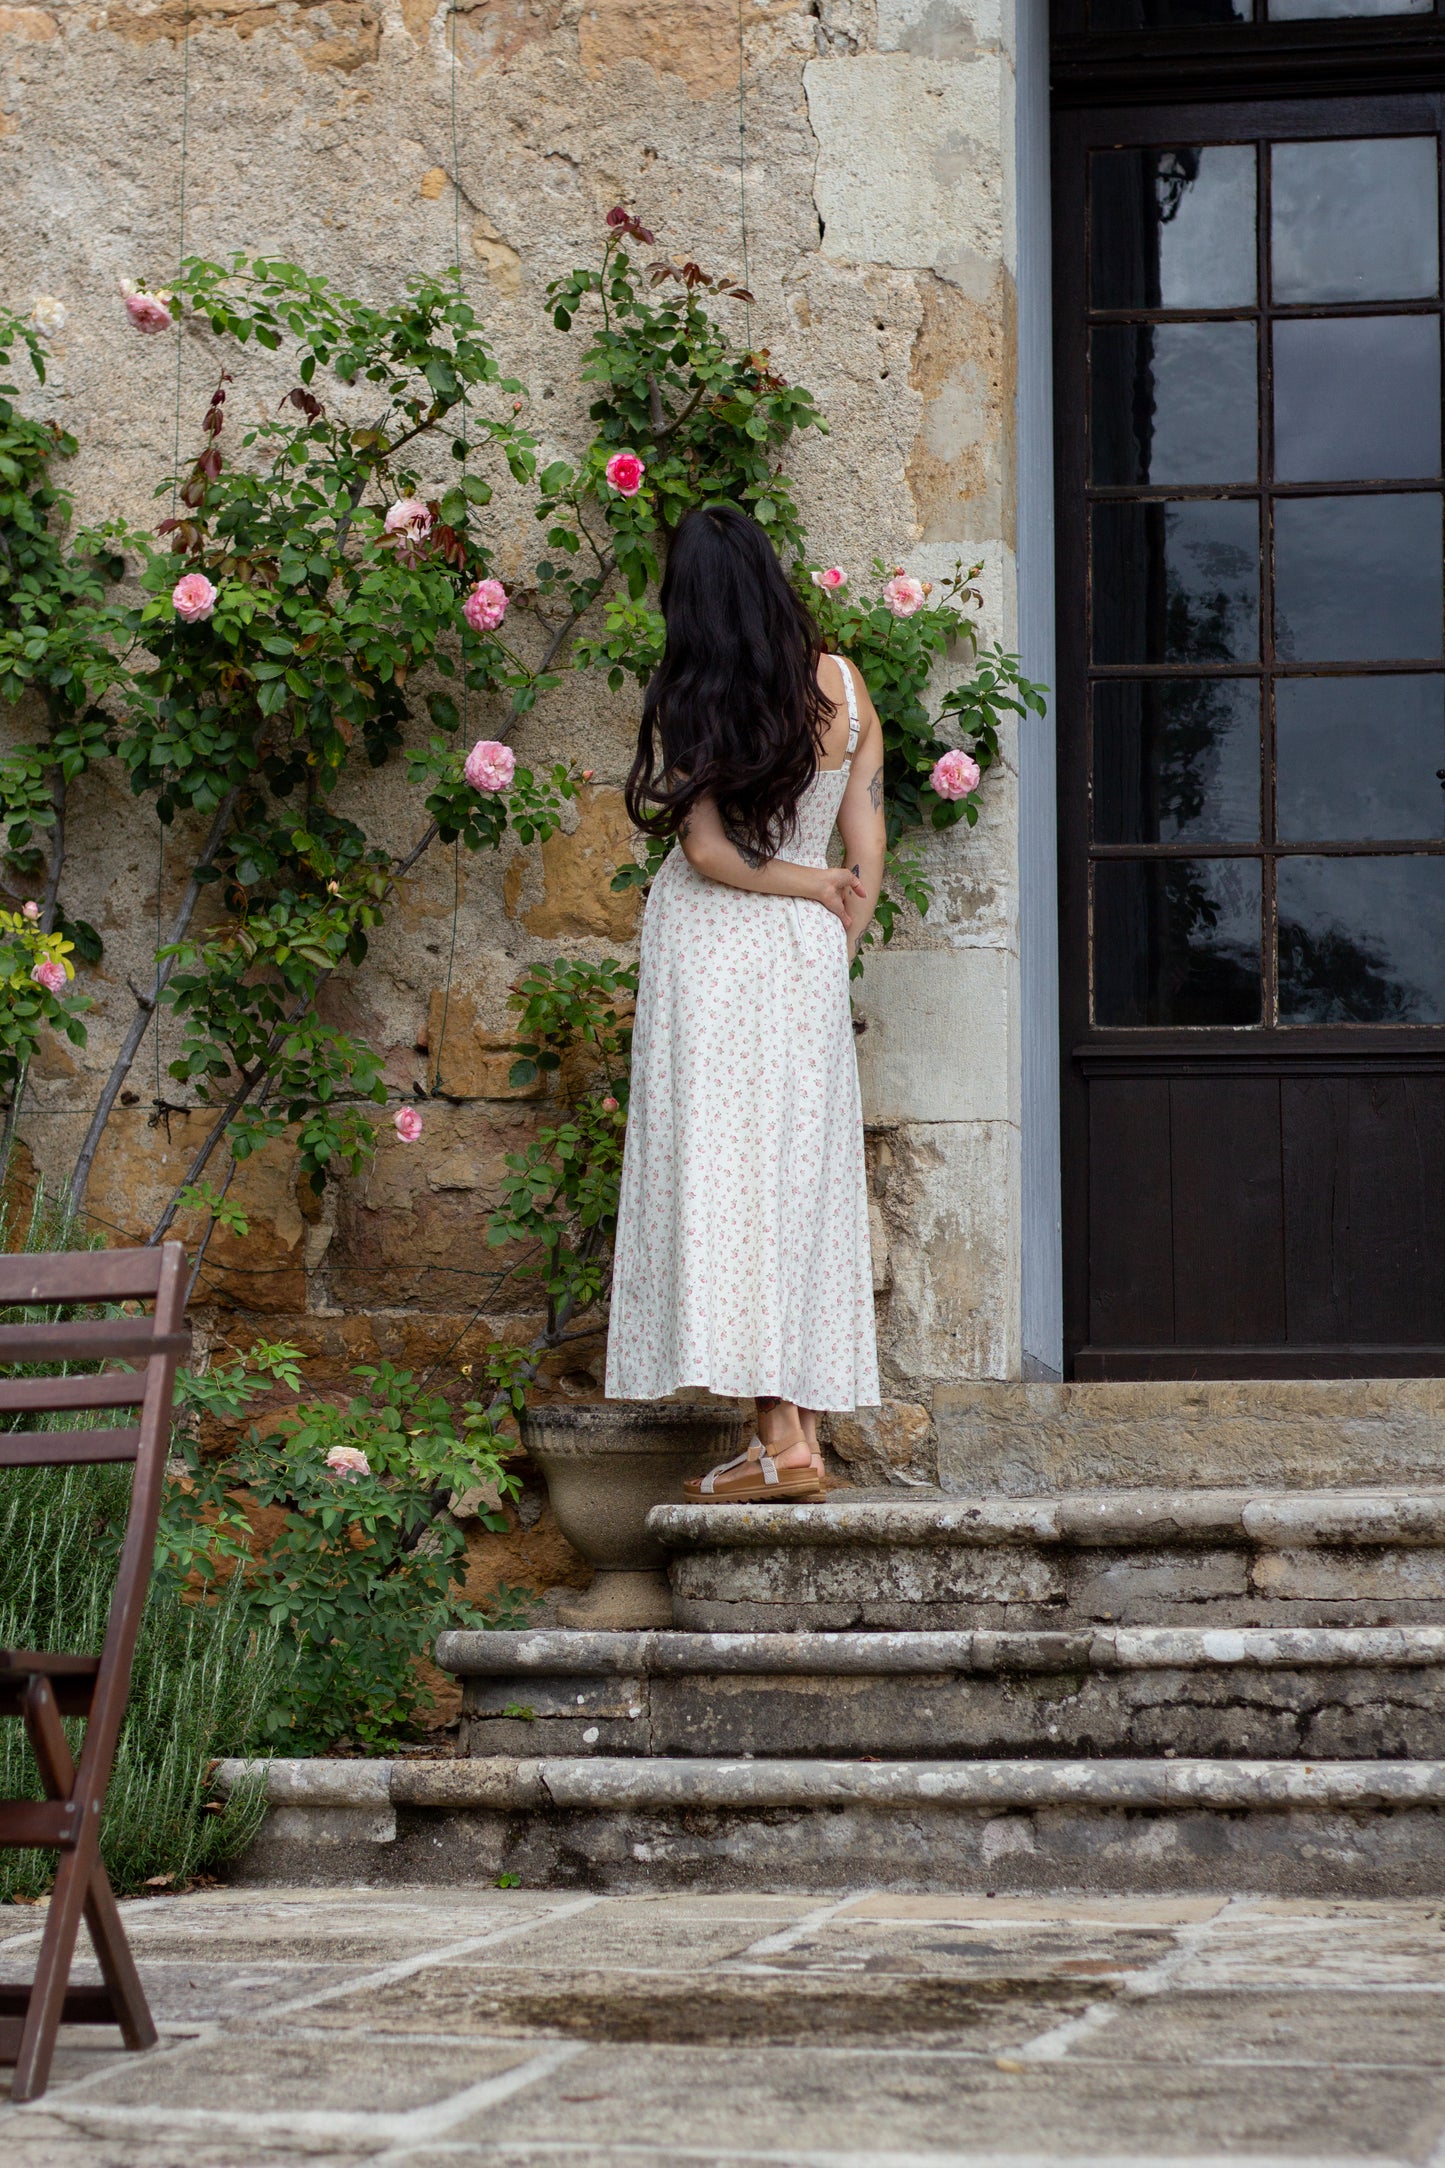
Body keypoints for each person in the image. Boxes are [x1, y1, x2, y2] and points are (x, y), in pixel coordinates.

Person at [604, 504, 884, 1501]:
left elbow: (709, 852)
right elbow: (862, 844)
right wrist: (826, 930)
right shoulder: (844, 686)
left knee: (728, 1182)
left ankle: (781, 1436)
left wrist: (802, 891)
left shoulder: (702, 694)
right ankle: (787, 1429)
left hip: (715, 946)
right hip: (799, 954)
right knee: (789, 1181)